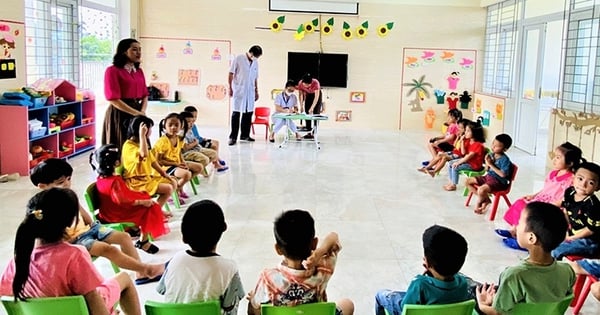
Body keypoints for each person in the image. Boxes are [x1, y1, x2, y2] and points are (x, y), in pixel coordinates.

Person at [0, 188, 142, 315]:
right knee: (124, 277)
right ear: (69, 223)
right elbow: (92, 298)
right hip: (82, 310)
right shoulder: (75, 255)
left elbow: (6, 296)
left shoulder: (18, 260)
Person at [29, 158, 165, 283]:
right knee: (106, 249)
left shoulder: (68, 195)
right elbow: (51, 237)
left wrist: (94, 226)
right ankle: (146, 269)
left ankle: (140, 273)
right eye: (60, 182)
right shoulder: (42, 206)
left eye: (69, 179)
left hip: (90, 229)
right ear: (42, 186)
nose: (67, 184)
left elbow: (84, 215)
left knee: (124, 237)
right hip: (74, 240)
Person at [476, 202, 575, 315]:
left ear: (531, 238)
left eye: (519, 223)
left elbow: (497, 313)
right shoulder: (567, 270)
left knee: (475, 293)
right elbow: (568, 301)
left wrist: (482, 305)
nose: (516, 227)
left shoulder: (514, 275)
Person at [247, 210, 354, 315]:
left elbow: (255, 310)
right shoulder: (324, 268)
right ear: (314, 243)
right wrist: (320, 252)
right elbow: (334, 237)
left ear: (278, 249)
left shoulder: (268, 278)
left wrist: (253, 300)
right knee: (347, 304)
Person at [157, 200, 245, 314]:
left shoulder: (175, 260)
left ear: (184, 237)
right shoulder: (229, 269)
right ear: (223, 228)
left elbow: (162, 290)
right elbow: (230, 307)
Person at [497, 142, 583, 249]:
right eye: (554, 157)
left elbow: (566, 197)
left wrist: (552, 205)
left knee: (531, 212)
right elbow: (546, 188)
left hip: (554, 205)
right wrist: (533, 195)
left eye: (558, 157)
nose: (554, 160)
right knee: (520, 203)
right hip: (542, 199)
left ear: (570, 163)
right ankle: (515, 231)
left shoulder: (571, 179)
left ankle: (526, 241)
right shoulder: (553, 173)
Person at [374, 225, 471, 315]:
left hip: (409, 306)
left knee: (381, 295)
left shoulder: (420, 284)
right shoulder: (463, 283)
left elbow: (405, 307)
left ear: (427, 263)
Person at [90, 144, 169, 248]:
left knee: (145, 197)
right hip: (114, 215)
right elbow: (121, 201)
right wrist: (142, 202)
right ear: (117, 163)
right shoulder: (114, 181)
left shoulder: (102, 177)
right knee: (150, 207)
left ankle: (136, 229)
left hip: (108, 211)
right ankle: (143, 241)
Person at [102, 38, 149, 149]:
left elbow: (145, 94)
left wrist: (142, 111)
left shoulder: (139, 71)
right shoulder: (112, 70)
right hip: (120, 112)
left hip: (137, 111)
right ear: (124, 52)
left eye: (140, 50)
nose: (138, 53)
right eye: (134, 50)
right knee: (121, 145)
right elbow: (113, 99)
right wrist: (135, 113)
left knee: (139, 144)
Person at [121, 115, 176, 208]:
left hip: (146, 178)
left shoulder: (142, 143)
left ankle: (156, 210)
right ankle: (156, 211)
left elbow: (153, 161)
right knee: (168, 188)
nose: (150, 132)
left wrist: (163, 173)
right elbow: (144, 154)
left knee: (173, 182)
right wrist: (142, 136)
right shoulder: (128, 146)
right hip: (136, 182)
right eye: (149, 129)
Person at [551, 162, 600, 260]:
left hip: (590, 241)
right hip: (573, 232)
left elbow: (590, 230)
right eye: (580, 179)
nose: (583, 184)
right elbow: (566, 209)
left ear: (598, 187)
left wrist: (571, 238)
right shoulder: (570, 192)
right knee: (547, 239)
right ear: (573, 178)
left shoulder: (593, 206)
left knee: (556, 250)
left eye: (590, 182)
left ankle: (551, 271)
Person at [153, 113, 202, 201]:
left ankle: (178, 188)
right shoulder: (162, 141)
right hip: (165, 167)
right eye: (170, 125)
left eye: (176, 125)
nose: (173, 127)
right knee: (187, 174)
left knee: (199, 167)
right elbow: (158, 161)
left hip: (176, 164)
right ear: (165, 126)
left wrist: (182, 162)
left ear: (181, 126)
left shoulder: (179, 138)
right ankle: (175, 191)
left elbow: (179, 152)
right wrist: (176, 164)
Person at [466, 133, 513, 214]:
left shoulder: (505, 160)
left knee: (481, 190)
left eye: (497, 146)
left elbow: (503, 175)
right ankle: (486, 199)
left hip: (498, 182)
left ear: (505, 149)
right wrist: (487, 163)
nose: (493, 147)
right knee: (467, 181)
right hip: (488, 177)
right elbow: (486, 170)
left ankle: (479, 203)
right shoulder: (492, 155)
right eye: (493, 144)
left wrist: (491, 164)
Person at [228, 45, 262, 146]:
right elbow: (231, 73)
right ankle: (233, 137)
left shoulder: (255, 62)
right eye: (256, 56)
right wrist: (230, 88)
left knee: (248, 114)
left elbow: (255, 78)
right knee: (236, 113)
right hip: (239, 90)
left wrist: (256, 90)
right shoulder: (239, 58)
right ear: (251, 53)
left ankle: (245, 135)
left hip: (250, 92)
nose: (256, 58)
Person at [443, 121, 486, 191]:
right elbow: (463, 153)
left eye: (468, 131)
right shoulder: (469, 141)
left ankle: (453, 185)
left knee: (455, 166)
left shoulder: (478, 145)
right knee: (450, 163)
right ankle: (451, 182)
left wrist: (458, 162)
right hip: (468, 162)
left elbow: (468, 156)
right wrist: (462, 141)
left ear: (475, 133)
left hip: (474, 165)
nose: (465, 132)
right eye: (465, 130)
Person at [297, 73, 322, 139]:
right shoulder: (300, 83)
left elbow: (316, 97)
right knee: (307, 111)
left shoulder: (316, 82)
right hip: (308, 95)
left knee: (316, 113)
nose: (307, 86)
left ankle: (314, 132)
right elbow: (301, 95)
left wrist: (312, 107)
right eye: (306, 84)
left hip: (316, 96)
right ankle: (309, 132)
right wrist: (301, 105)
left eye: (309, 84)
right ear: (303, 82)